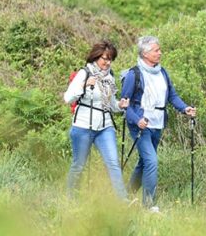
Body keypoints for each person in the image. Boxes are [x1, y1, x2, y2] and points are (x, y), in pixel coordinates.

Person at [120, 35, 196, 211]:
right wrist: (137, 120)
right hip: (140, 125)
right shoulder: (134, 74)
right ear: (145, 54)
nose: (160, 53)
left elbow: (172, 96)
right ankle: (149, 206)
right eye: (156, 50)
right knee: (152, 161)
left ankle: (126, 196)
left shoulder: (162, 72)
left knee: (144, 161)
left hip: (157, 124)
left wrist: (185, 109)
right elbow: (126, 104)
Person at [62, 40, 129, 200]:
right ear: (96, 57)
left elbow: (111, 104)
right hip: (83, 126)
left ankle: (123, 201)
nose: (107, 62)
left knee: (113, 163)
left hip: (105, 127)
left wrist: (120, 105)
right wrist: (85, 85)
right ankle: (69, 199)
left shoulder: (109, 77)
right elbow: (68, 98)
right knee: (78, 165)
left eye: (110, 59)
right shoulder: (84, 73)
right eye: (104, 58)